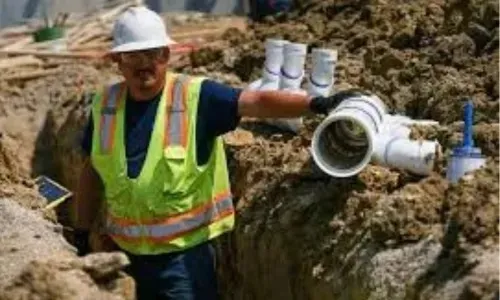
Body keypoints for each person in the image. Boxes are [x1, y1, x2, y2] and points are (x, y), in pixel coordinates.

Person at [74, 5, 342, 300]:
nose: (144, 65)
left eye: (153, 54)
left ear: (166, 55)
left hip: (182, 263)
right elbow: (91, 170)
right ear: (117, 60)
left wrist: (315, 104)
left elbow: (257, 101)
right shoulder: (105, 106)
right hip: (122, 257)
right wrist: (82, 232)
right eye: (133, 56)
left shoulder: (196, 97)